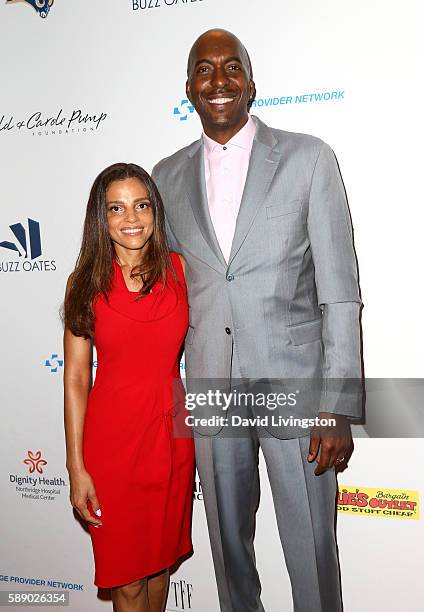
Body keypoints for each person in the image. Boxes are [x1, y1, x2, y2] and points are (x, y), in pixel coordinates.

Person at [152, 29, 362, 612]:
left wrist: (337, 405)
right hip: (212, 392)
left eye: (231, 68)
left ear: (250, 82)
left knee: (312, 552)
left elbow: (340, 292)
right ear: (188, 88)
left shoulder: (308, 157)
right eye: (204, 70)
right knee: (229, 558)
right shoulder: (164, 178)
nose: (218, 81)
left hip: (296, 391)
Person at [62, 163, 194, 612]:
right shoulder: (86, 283)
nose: (131, 218)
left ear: (155, 211)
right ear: (101, 217)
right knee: (129, 582)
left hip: (173, 437)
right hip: (113, 444)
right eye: (116, 208)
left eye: (141, 205)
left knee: (159, 571)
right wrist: (76, 466)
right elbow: (77, 378)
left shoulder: (180, 271)